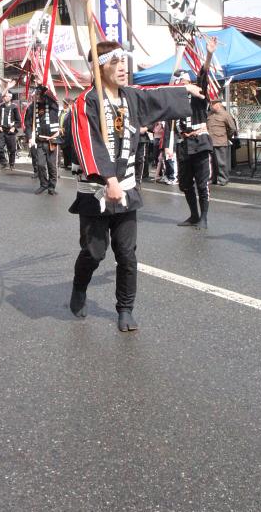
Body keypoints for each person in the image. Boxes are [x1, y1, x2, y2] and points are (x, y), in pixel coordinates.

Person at [69, 40, 203, 331]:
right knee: (94, 252)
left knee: (127, 253)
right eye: (114, 63)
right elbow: (86, 145)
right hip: (97, 190)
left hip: (126, 186)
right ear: (99, 67)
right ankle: (79, 287)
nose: (122, 68)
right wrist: (109, 179)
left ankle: (125, 308)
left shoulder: (130, 97)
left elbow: (156, 98)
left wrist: (184, 91)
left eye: (123, 62)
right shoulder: (85, 102)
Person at [175, 37, 217, 228]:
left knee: (202, 183)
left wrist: (208, 54)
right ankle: (193, 215)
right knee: (184, 183)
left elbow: (203, 75)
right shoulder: (174, 101)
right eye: (179, 82)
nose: (182, 85)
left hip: (200, 143)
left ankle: (204, 217)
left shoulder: (198, 96)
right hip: (183, 144)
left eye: (184, 82)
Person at [24, 85, 60, 195]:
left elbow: (51, 96)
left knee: (51, 165)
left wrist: (42, 85)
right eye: (36, 94)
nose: (37, 96)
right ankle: (43, 184)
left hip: (52, 141)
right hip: (40, 141)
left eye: (40, 94)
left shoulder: (53, 105)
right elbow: (28, 124)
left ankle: (52, 187)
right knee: (40, 164)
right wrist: (30, 137)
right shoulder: (32, 108)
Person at [207, 95, 237, 187]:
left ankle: (223, 179)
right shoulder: (210, 114)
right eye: (211, 103)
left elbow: (232, 128)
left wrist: (226, 137)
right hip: (210, 142)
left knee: (221, 162)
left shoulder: (225, 114)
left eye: (213, 104)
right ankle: (214, 178)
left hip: (220, 141)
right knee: (212, 162)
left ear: (218, 104)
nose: (211, 105)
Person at [0, 91, 20, 170]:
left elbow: (18, 121)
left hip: (10, 131)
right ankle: (3, 162)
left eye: (7, 96)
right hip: (2, 130)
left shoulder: (14, 107)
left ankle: (11, 164)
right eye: (4, 96)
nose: (5, 98)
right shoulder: (1, 107)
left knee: (12, 149)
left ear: (10, 98)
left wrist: (14, 127)